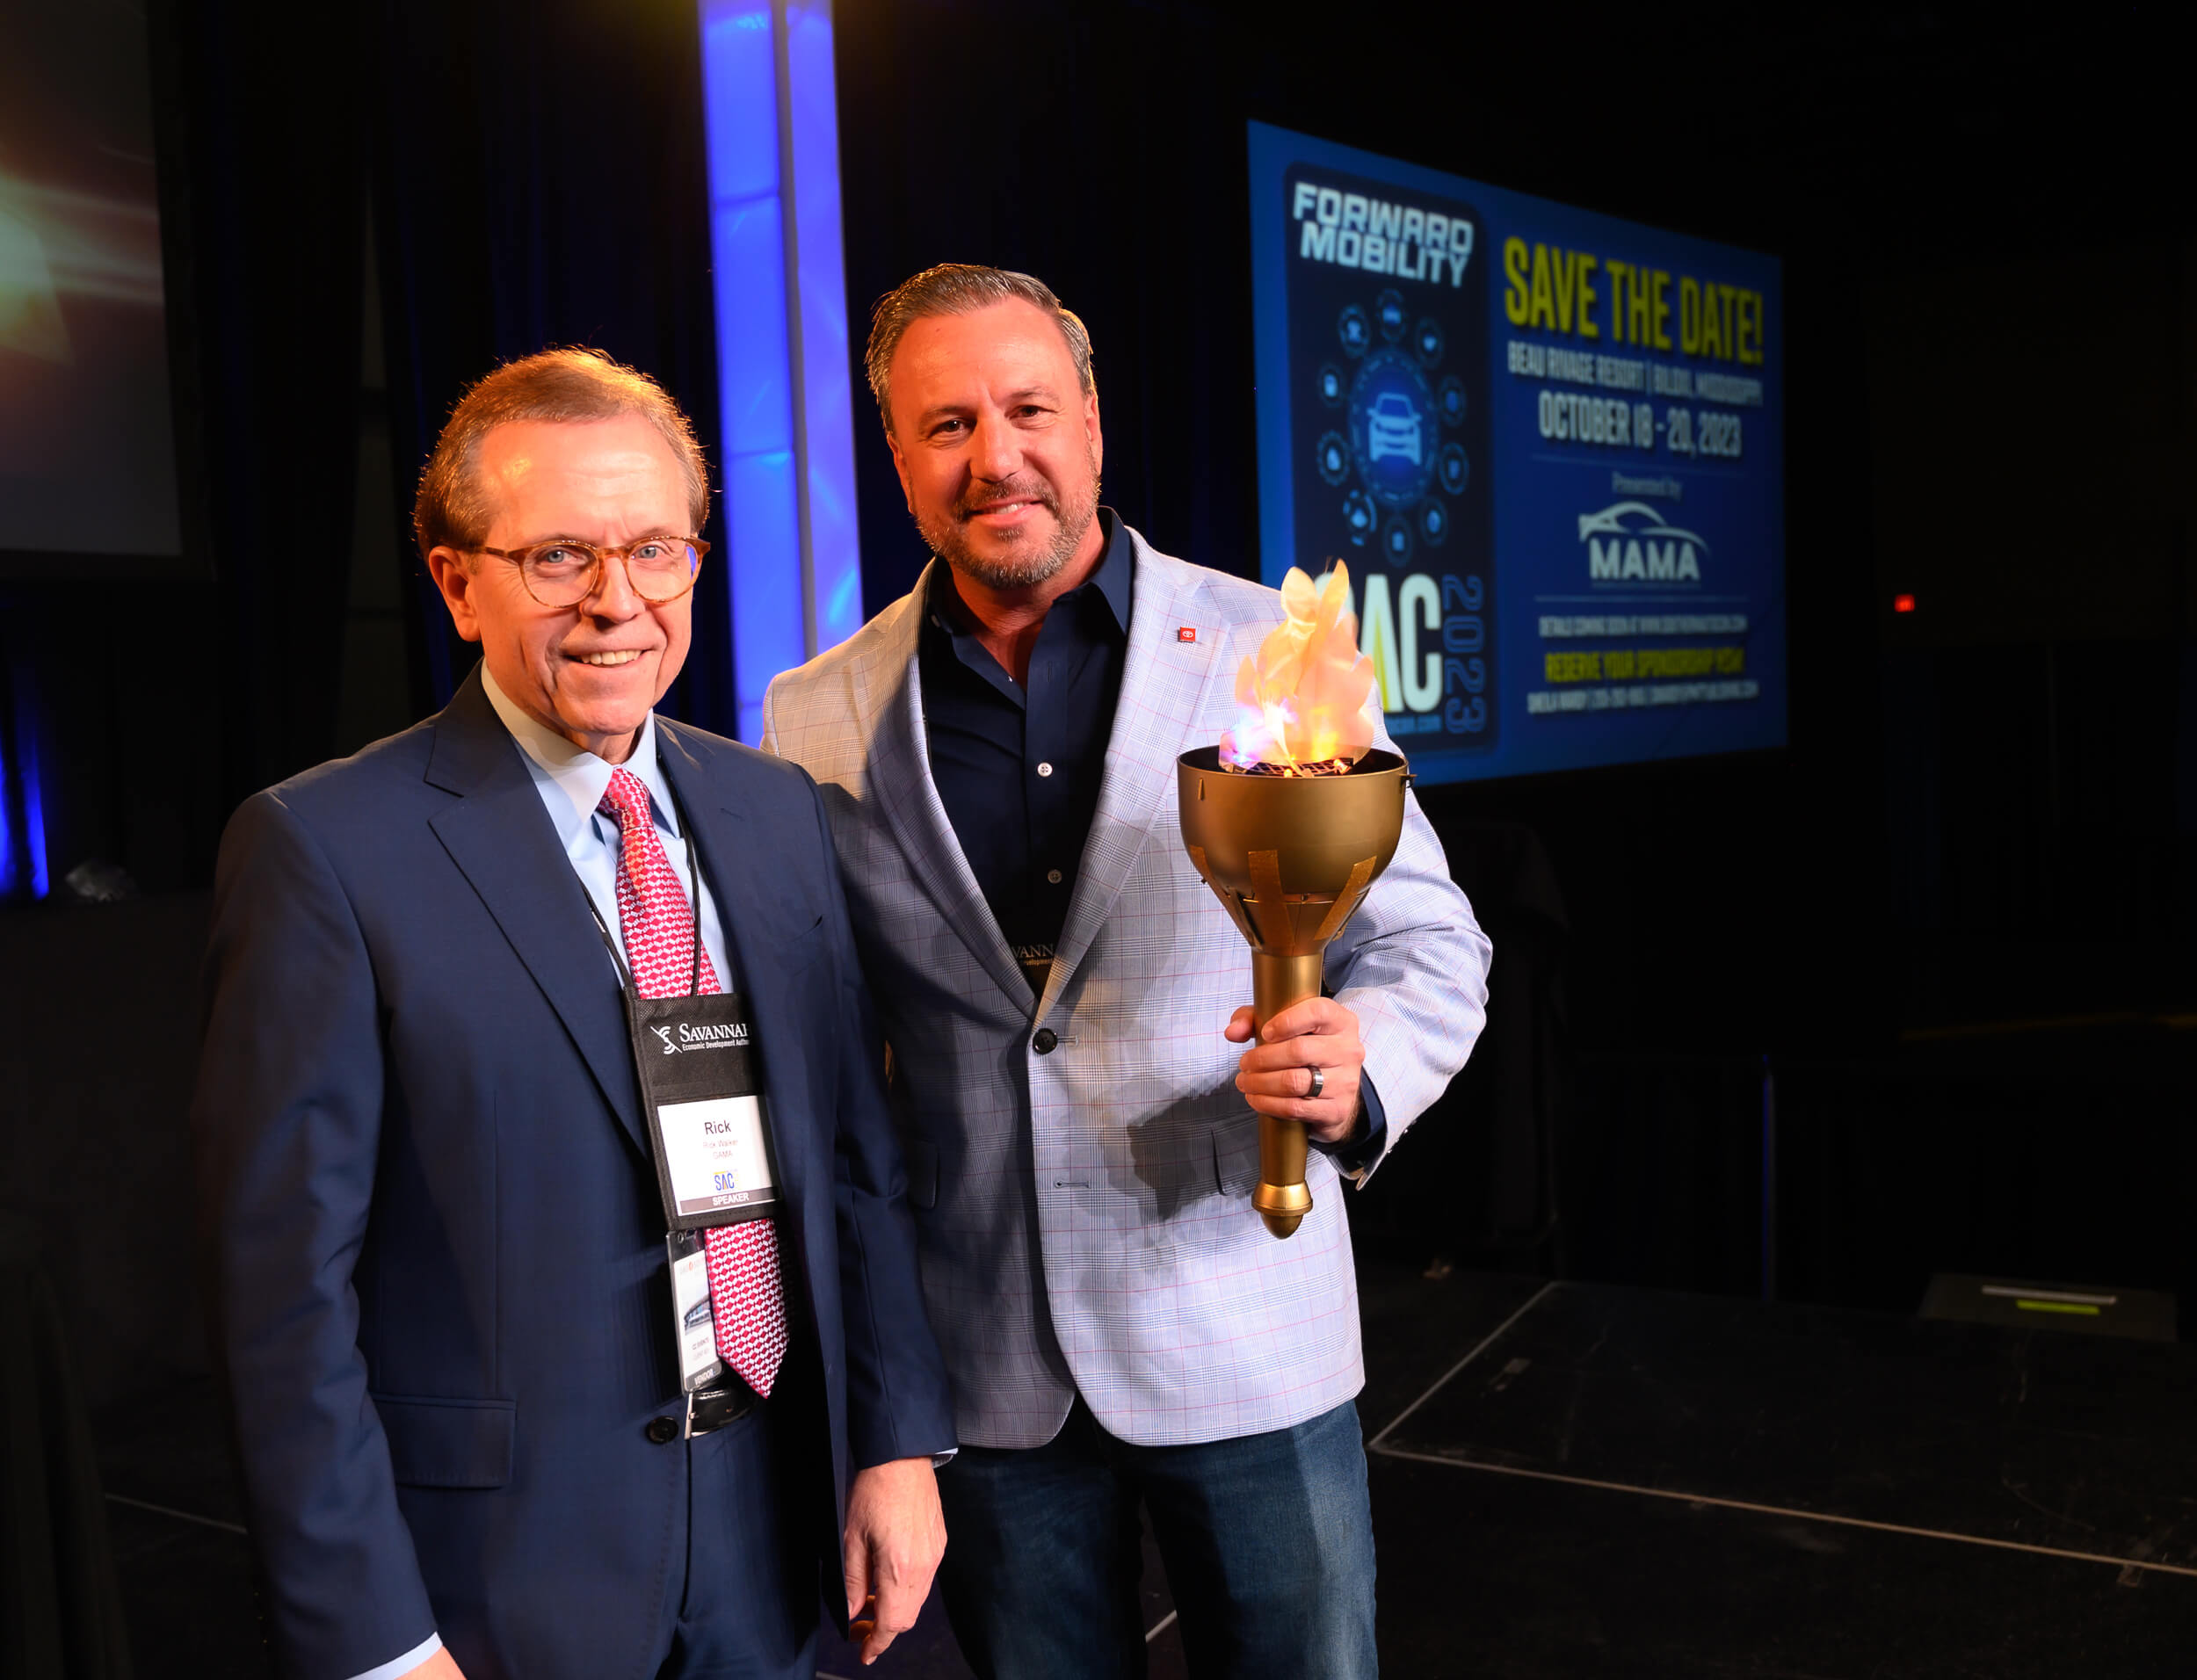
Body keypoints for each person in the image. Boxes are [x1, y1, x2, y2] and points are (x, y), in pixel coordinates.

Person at [765, 265, 1490, 1678]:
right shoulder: (816, 712)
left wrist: (1363, 1067)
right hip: (985, 1362)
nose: (996, 456)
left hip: (1243, 1320)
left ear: (1092, 422)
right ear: (898, 456)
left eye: (1030, 409)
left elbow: (1427, 939)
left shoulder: (1271, 651)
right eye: (947, 424)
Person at [192, 349, 954, 1680]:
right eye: (559, 558)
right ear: (456, 584)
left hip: (771, 1538)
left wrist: (893, 1444)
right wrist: (377, 1640)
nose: (618, 601)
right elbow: (281, 1295)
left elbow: (852, 1159)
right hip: (500, 1579)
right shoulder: (324, 850)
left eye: (655, 550)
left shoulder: (775, 812)